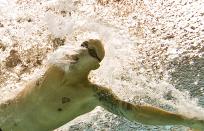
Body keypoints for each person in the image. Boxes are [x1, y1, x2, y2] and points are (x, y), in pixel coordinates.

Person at [0, 39, 203, 131]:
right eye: (83, 44)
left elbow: (133, 113)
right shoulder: (55, 64)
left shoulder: (92, 94)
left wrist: (186, 120)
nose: (83, 48)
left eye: (90, 50)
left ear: (95, 66)